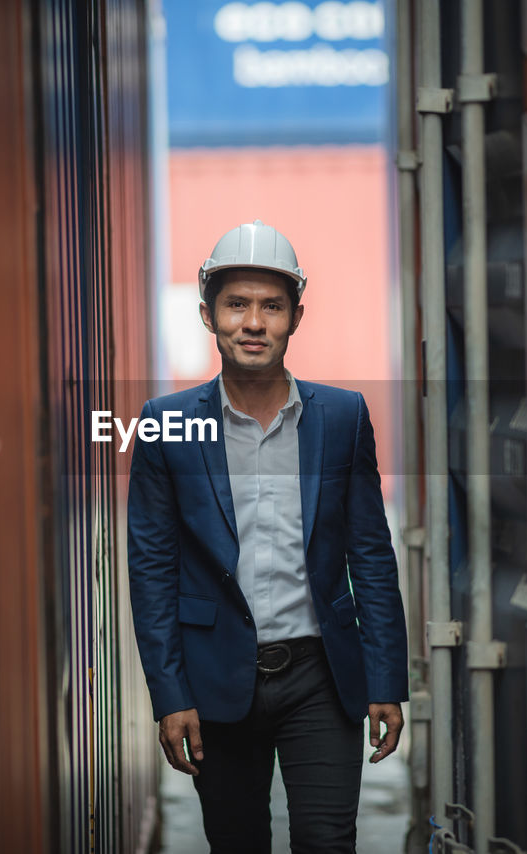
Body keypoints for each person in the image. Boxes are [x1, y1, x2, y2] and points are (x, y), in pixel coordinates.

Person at [127, 219, 408, 853]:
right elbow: (151, 570)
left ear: (296, 318)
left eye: (272, 306)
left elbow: (371, 554)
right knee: (237, 842)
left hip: (321, 675)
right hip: (216, 679)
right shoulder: (165, 425)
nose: (254, 322)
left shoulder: (340, 418)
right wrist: (169, 695)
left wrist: (386, 680)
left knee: (326, 841)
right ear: (209, 315)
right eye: (236, 305)